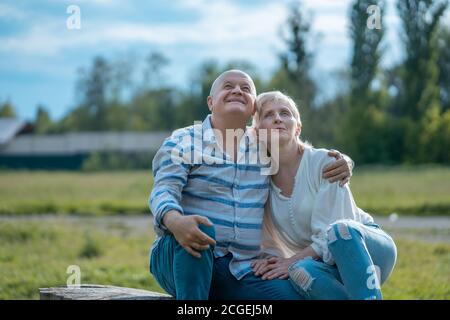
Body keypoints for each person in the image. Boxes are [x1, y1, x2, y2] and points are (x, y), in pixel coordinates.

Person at [148, 70, 353, 300]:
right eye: (228, 86)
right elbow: (163, 189)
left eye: (246, 89)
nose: (237, 90)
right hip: (182, 254)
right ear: (210, 102)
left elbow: (299, 152)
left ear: (253, 106)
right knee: (200, 231)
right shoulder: (184, 140)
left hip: (240, 267)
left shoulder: (264, 147)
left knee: (291, 298)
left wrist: (344, 161)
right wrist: (175, 221)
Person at [251, 91, 397, 300]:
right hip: (323, 264)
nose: (277, 118)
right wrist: (268, 259)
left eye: (285, 113)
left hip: (365, 249)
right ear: (257, 132)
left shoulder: (325, 162)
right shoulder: (259, 180)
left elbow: (332, 233)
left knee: (340, 230)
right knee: (299, 271)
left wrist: (290, 260)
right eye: (268, 115)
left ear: (298, 127)